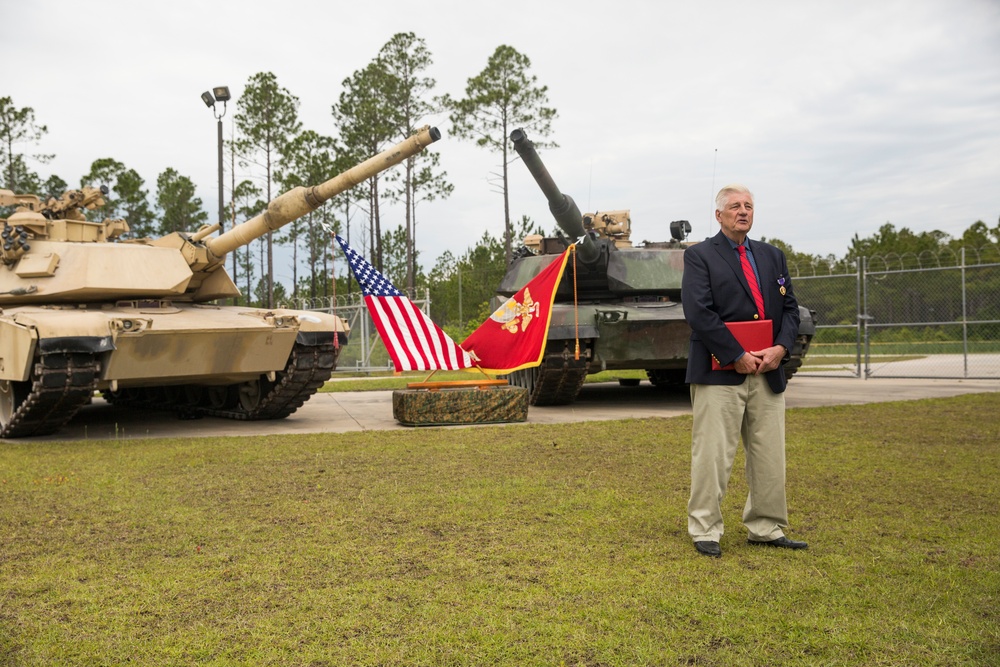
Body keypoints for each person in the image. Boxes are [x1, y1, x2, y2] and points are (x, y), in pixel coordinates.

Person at [680, 184, 807, 558]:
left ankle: (766, 527)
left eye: (749, 206)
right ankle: (705, 527)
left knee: (770, 454)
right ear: (718, 215)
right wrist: (735, 353)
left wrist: (781, 348)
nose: (743, 211)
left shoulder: (772, 256)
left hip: (767, 371)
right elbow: (699, 311)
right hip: (720, 371)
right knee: (714, 454)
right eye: (735, 206)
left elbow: (790, 308)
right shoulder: (700, 256)